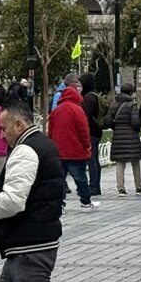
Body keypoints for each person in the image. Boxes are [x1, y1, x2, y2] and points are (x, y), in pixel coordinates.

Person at [0, 98, 64, 282]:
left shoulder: (26, 150)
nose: (2, 136)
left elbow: (12, 201)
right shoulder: (45, 144)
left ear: (19, 125)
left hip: (29, 248)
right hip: (32, 242)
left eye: (4, 129)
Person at [47, 78, 95, 209]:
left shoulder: (56, 111)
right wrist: (87, 145)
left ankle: (59, 202)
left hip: (59, 150)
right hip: (75, 150)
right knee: (80, 178)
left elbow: (50, 131)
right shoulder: (77, 110)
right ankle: (85, 201)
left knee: (59, 179)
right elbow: (84, 131)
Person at [106, 82, 141, 195]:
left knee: (120, 163)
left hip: (118, 136)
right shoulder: (132, 105)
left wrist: (116, 127)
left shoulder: (113, 105)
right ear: (131, 93)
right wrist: (137, 129)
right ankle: (138, 186)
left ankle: (121, 187)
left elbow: (107, 121)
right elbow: (135, 122)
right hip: (131, 137)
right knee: (135, 162)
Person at [78, 73, 106, 199]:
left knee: (92, 160)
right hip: (96, 131)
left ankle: (94, 186)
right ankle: (95, 185)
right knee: (94, 159)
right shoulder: (94, 95)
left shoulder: (89, 98)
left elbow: (86, 116)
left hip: (91, 132)